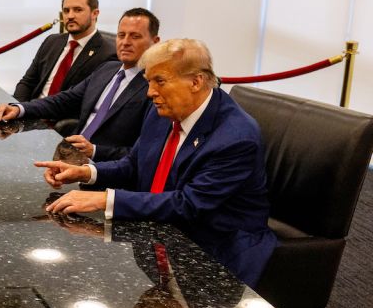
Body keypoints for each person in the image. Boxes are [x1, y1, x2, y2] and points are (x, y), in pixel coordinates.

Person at [34, 39, 278, 286]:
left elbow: (189, 204)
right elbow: (135, 165)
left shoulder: (235, 138)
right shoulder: (163, 111)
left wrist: (104, 199)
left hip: (215, 250)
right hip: (159, 235)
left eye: (160, 81)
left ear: (196, 81)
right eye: (149, 81)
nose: (150, 92)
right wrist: (85, 172)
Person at [0, 8, 162, 161]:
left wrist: (94, 151)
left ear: (155, 42)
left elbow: (145, 153)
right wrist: (19, 109)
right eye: (121, 35)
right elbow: (63, 100)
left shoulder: (155, 87)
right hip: (70, 156)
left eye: (135, 36)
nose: (125, 42)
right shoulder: (107, 69)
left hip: (105, 168)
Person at [12, 0, 118, 102]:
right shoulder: (51, 41)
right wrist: (17, 107)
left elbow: (87, 102)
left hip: (61, 118)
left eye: (78, 10)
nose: (70, 16)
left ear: (94, 13)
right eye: (66, 10)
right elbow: (28, 82)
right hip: (29, 112)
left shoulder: (108, 54)